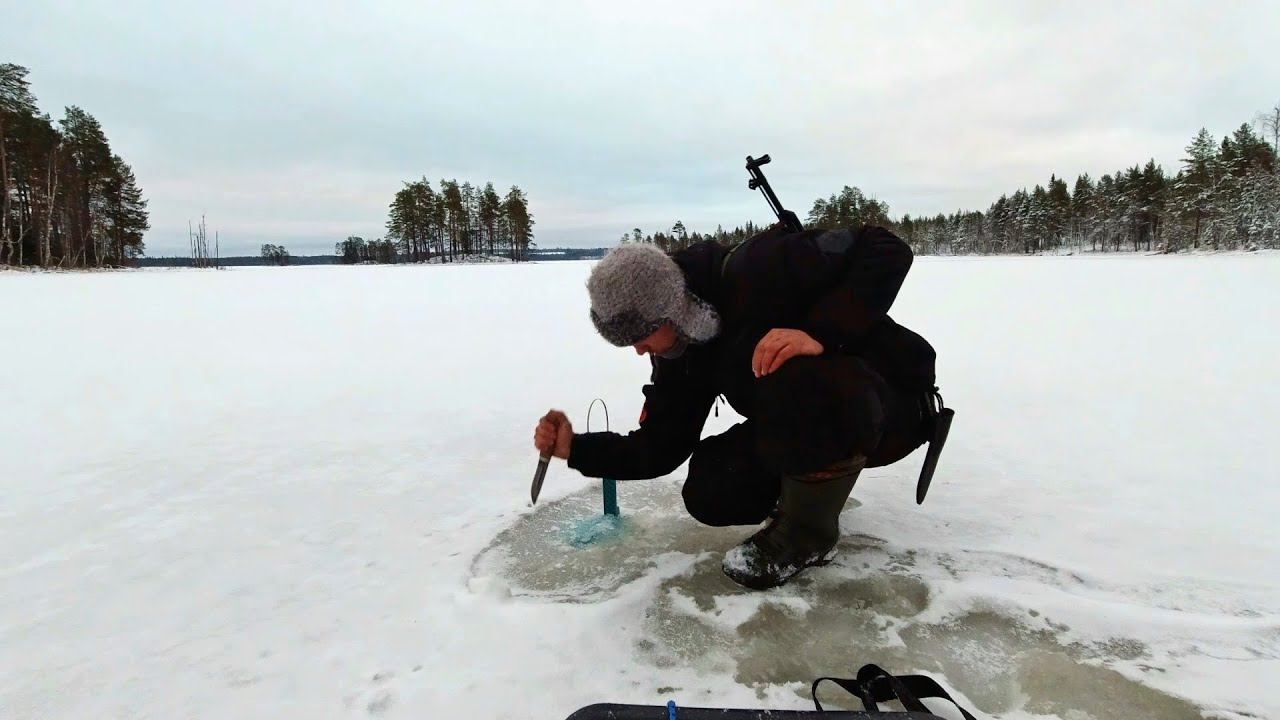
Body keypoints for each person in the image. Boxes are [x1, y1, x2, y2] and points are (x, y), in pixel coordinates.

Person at [533, 223, 938, 590]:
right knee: (713, 489)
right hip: (815, 416)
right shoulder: (682, 350)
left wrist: (819, 332)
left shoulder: (761, 267)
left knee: (792, 370)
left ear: (671, 309)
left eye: (641, 336)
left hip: (894, 406)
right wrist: (576, 448)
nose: (639, 350)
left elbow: (886, 247)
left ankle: (808, 533)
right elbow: (660, 447)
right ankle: (810, 494)